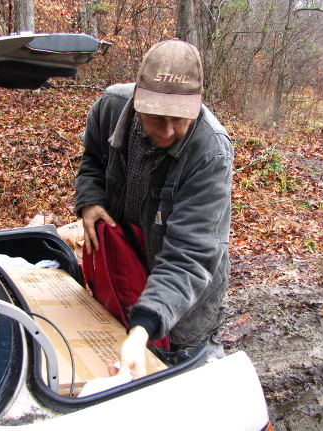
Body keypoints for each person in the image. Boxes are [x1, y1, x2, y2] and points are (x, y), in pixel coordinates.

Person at [74, 39, 233, 380]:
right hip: (126, 269)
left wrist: (143, 325)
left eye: (180, 119)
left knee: (179, 371)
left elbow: (189, 256)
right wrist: (90, 200)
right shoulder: (110, 108)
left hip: (186, 297)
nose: (168, 130)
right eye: (157, 118)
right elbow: (91, 159)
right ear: (137, 101)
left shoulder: (210, 153)